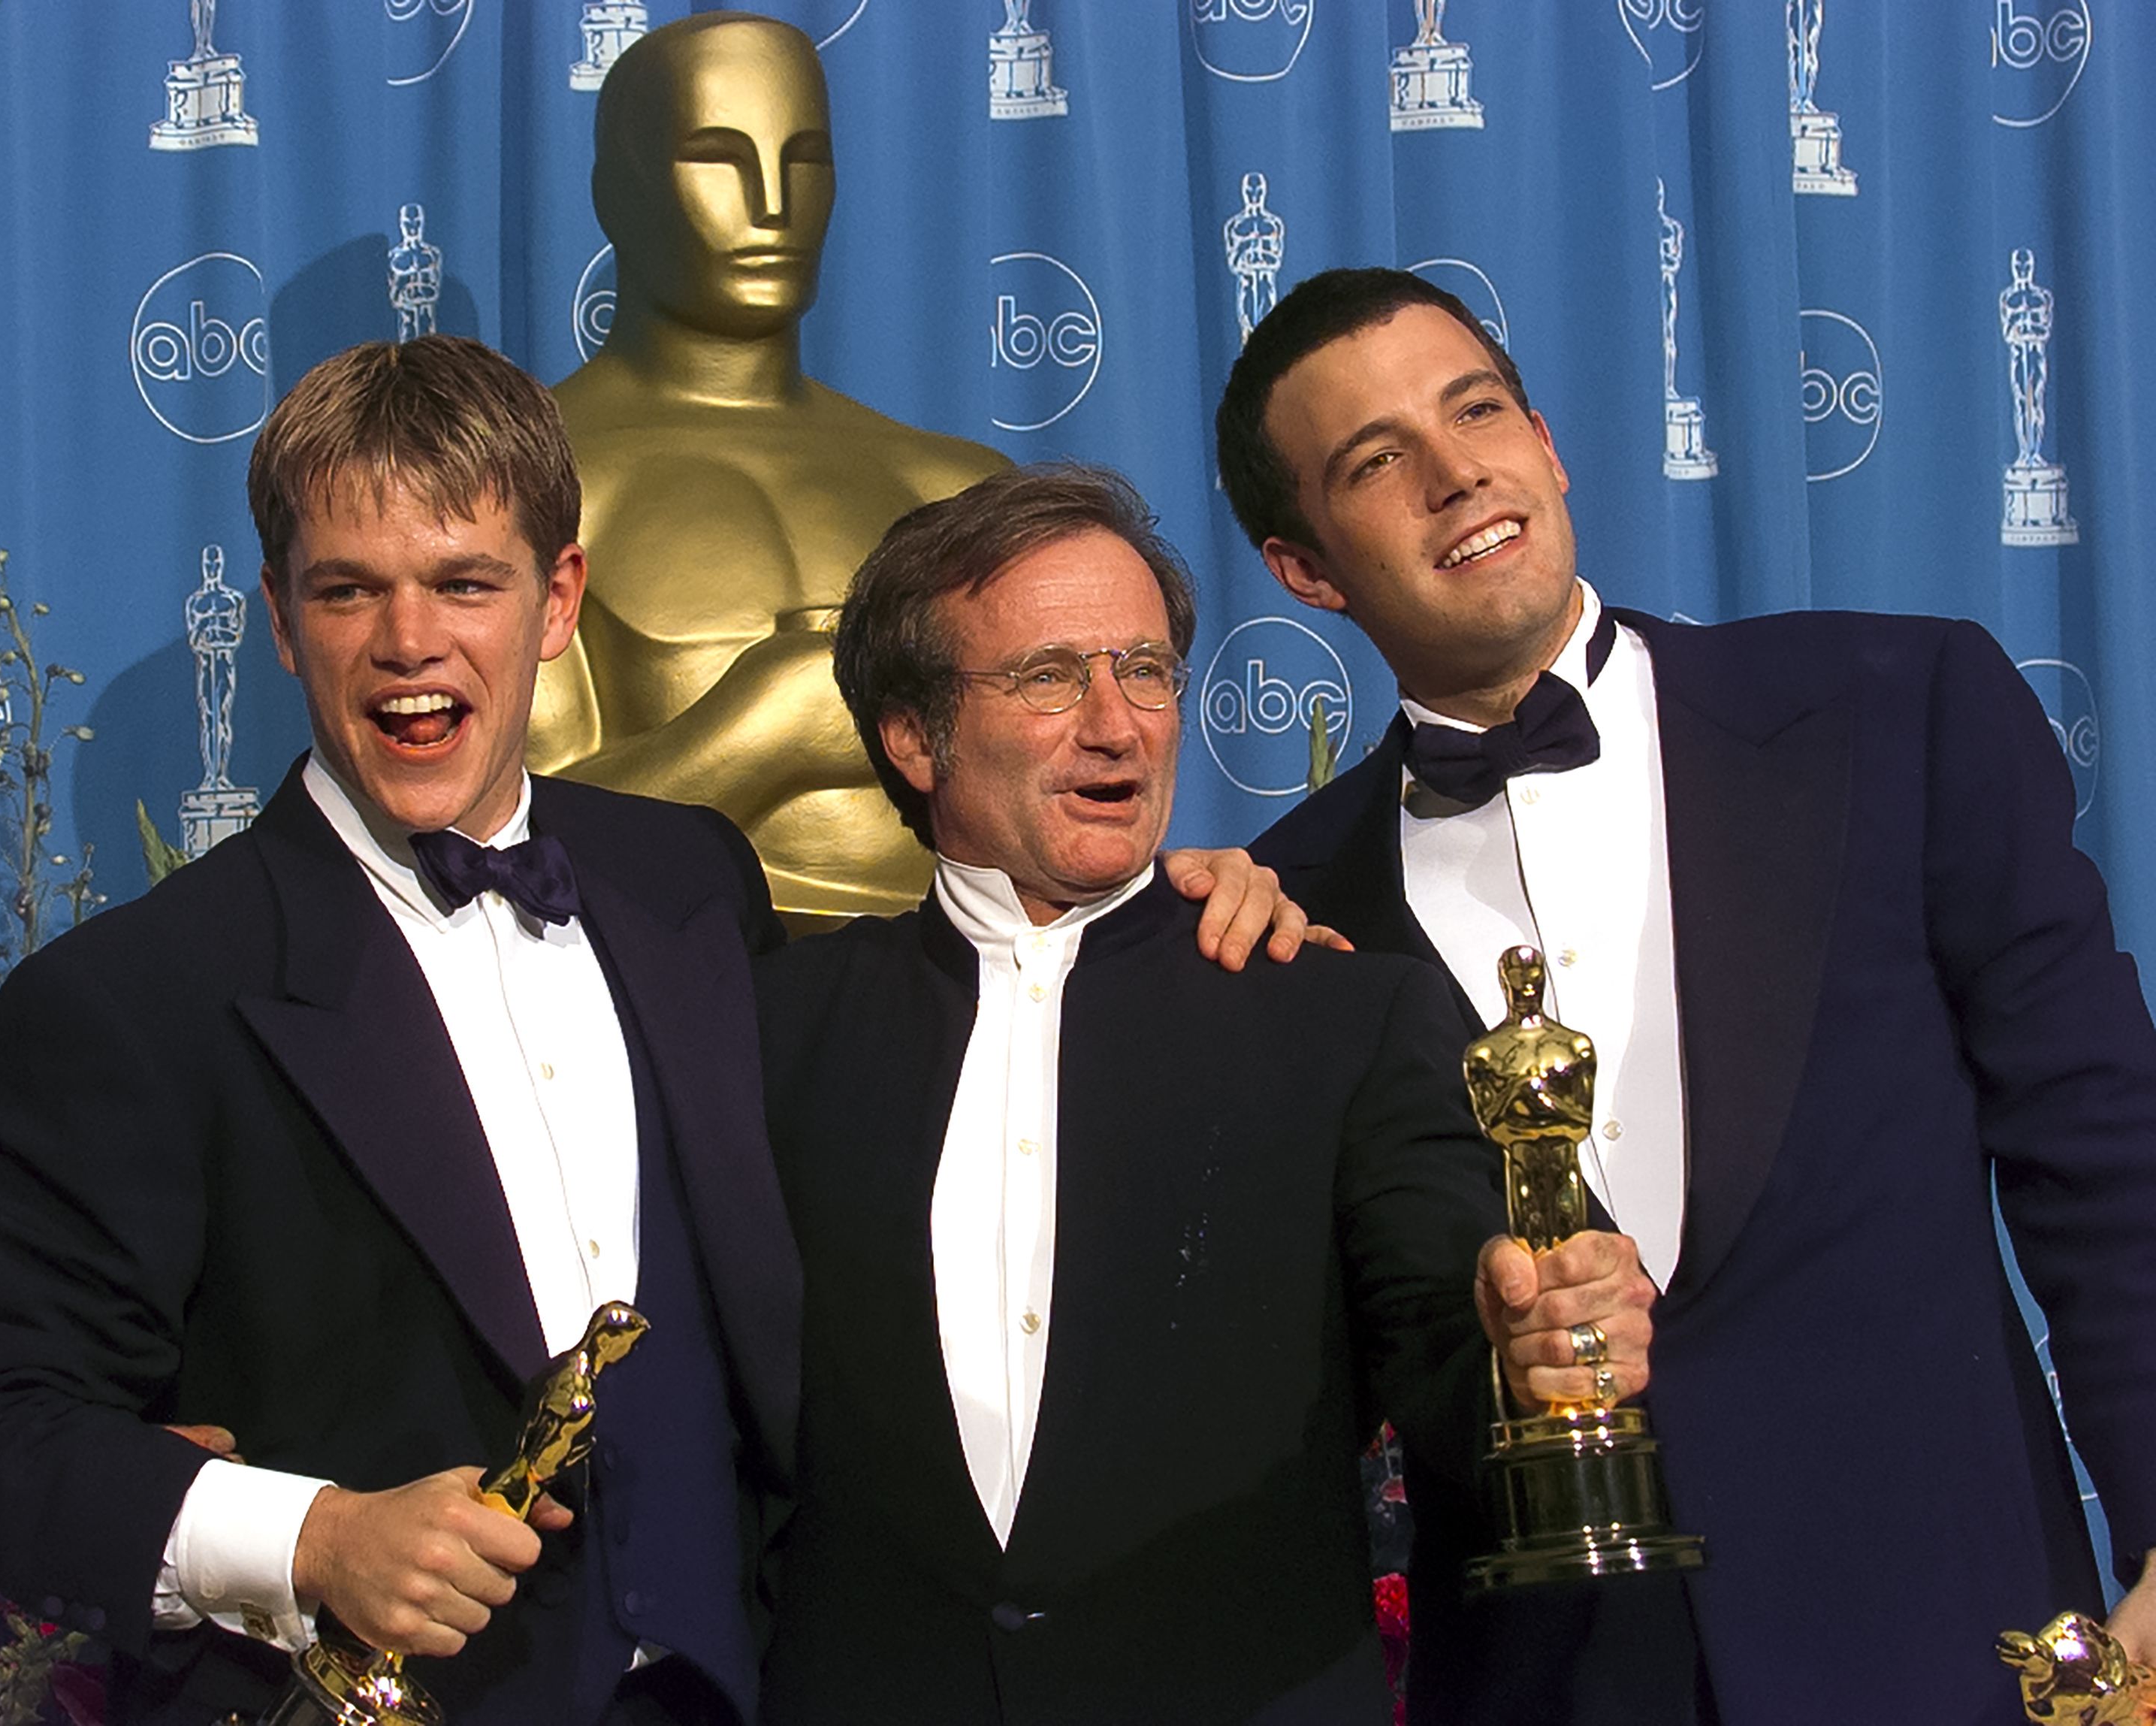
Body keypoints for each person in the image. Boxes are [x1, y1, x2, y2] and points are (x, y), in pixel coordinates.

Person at [1218, 265, 2156, 1725]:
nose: (1458, 470)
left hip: (1944, 1643)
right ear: (1304, 569)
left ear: (1550, 444)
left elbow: (2108, 1159)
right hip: (1552, 1679)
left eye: (1479, 411)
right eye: (1377, 462)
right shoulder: (1289, 915)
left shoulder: (1892, 706)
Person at [0, 335, 802, 1726]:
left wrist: (1194, 903)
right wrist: (314, 1538)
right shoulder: (133, 999)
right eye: (349, 591)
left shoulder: (693, 881)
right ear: (277, 617)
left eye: (463, 581)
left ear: (557, 598)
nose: (409, 643)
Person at [751, 461, 1658, 1724]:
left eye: (1145, 669)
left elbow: (1445, 1347)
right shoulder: (772, 1029)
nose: (1118, 723)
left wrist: (1528, 1355)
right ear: (914, 735)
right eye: (1051, 675)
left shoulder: (1333, 1011)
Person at [530, 12, 1009, 926]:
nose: (772, 203)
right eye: (716, 157)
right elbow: (504, 848)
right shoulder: (530, 480)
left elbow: (1071, 799)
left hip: (974, 1025)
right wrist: (773, 723)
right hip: (670, 1022)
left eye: (804, 160)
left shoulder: (959, 488)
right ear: (613, 195)